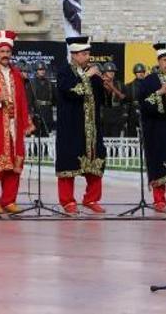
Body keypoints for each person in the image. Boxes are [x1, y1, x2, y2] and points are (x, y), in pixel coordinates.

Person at [0, 31, 33, 214]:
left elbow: (23, 100)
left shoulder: (17, 74)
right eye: (2, 51)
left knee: (14, 165)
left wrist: (26, 122)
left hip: (14, 127)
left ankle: (9, 200)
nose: (5, 55)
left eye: (8, 51)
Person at [55, 36, 106, 215]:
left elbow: (103, 99)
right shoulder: (64, 72)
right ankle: (67, 201)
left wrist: (105, 83)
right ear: (74, 55)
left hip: (92, 128)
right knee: (68, 163)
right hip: (72, 128)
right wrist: (87, 76)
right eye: (84, 54)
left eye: (88, 53)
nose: (88, 57)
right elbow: (72, 92)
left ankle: (91, 199)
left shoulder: (93, 74)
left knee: (96, 162)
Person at [138, 44, 166, 212]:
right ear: (158, 61)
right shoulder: (149, 81)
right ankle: (159, 200)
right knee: (159, 163)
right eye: (165, 60)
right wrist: (159, 93)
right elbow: (144, 105)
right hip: (157, 128)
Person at [29, 62, 56, 136]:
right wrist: (30, 113)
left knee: (47, 134)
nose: (42, 71)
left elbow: (55, 99)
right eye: (40, 69)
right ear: (36, 71)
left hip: (48, 112)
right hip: (36, 111)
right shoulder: (31, 83)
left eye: (43, 69)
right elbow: (29, 100)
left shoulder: (50, 83)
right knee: (36, 135)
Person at [100, 61, 126, 138]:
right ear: (104, 72)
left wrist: (112, 87)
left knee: (115, 139)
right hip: (103, 114)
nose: (111, 73)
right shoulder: (98, 83)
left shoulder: (120, 84)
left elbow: (123, 97)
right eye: (109, 71)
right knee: (103, 139)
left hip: (116, 114)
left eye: (113, 71)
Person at [123, 63, 147, 137]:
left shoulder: (149, 84)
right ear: (135, 73)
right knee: (131, 133)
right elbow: (126, 102)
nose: (141, 74)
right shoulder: (129, 86)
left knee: (146, 133)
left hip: (145, 110)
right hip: (133, 111)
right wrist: (125, 114)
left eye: (142, 72)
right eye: (138, 72)